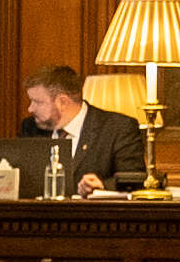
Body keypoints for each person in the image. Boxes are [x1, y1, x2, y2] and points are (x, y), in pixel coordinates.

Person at [19, 68, 150, 195]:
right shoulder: (30, 128)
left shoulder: (118, 128)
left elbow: (133, 179)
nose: (30, 108)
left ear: (62, 102)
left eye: (37, 102)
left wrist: (102, 186)